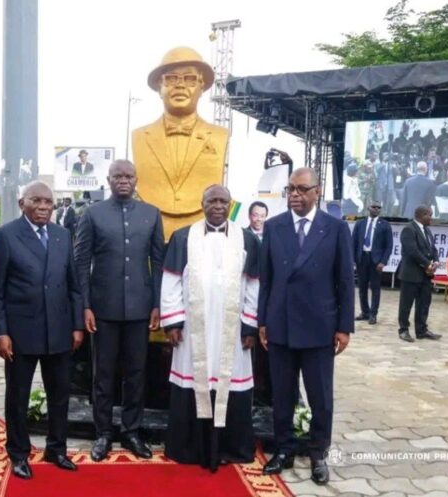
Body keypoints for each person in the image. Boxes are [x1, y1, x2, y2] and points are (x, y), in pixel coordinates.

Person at [258, 168, 354, 485]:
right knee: (282, 394)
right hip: (281, 325)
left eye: (301, 189)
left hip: (319, 328)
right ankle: (283, 449)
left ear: (317, 191)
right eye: (290, 189)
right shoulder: (274, 227)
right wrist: (262, 321)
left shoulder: (336, 229)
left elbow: (344, 281)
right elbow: (266, 281)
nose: (295, 195)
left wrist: (344, 327)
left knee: (320, 397)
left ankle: (318, 454)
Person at [0, 181, 84, 480]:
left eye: (48, 202)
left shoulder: (62, 235)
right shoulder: (6, 236)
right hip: (20, 333)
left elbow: (73, 285)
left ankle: (57, 448)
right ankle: (18, 453)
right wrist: (0, 332)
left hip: (59, 331)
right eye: (36, 201)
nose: (43, 207)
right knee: (18, 396)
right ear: (22, 204)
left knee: (60, 395)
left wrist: (77, 324)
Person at [160, 185, 260, 472]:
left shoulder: (248, 239)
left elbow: (253, 284)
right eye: (212, 200)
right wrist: (174, 321)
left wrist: (249, 325)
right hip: (194, 331)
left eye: (223, 201)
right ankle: (189, 448)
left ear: (230, 205)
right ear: (201, 203)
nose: (218, 205)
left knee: (230, 382)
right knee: (194, 379)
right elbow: (171, 281)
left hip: (232, 331)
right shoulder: (182, 237)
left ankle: (231, 447)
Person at [74, 159, 165, 462]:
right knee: (103, 374)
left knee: (137, 373)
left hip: (140, 309)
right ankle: (103, 433)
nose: (123, 180)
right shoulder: (92, 214)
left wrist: (156, 304)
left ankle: (131, 431)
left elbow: (158, 263)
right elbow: (81, 263)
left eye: (128, 176)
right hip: (103, 309)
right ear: (108, 179)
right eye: (118, 176)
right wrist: (85, 305)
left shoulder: (151, 214)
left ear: (137, 179)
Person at [131, 46, 227, 239]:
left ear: (202, 87)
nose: (180, 86)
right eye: (171, 78)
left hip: (199, 233)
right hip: (153, 232)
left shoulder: (220, 135)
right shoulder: (140, 136)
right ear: (159, 87)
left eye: (190, 79)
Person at [397, 206, 442, 342]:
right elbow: (412, 251)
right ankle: (403, 330)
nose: (431, 218)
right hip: (411, 274)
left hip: (425, 275)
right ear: (422, 215)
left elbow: (433, 249)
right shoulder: (408, 229)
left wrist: (435, 262)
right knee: (406, 304)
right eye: (430, 215)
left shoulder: (427, 230)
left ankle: (422, 330)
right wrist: (428, 264)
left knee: (424, 303)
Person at [352, 201, 394, 324]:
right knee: (362, 287)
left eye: (378, 208)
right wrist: (353, 259)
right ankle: (365, 312)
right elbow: (353, 242)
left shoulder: (385, 225)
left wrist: (383, 262)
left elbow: (389, 246)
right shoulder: (360, 223)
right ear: (368, 208)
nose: (376, 209)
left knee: (375, 288)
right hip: (362, 259)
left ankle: (373, 314)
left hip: (376, 261)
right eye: (374, 207)